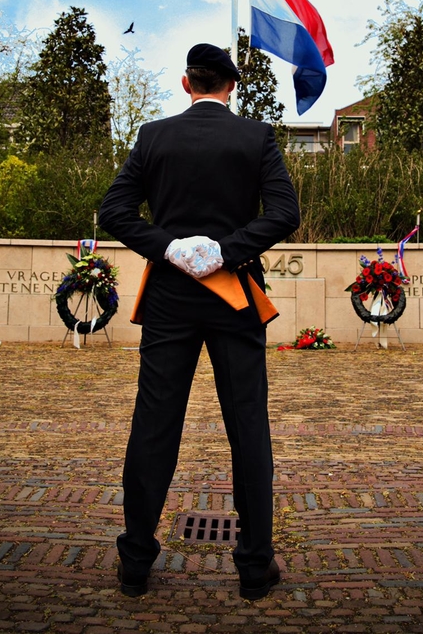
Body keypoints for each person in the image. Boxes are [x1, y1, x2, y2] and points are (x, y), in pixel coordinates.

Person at [98, 43, 300, 601]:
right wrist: (226, 250)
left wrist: (171, 248)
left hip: (168, 299)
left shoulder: (153, 135)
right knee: (247, 427)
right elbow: (286, 213)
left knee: (154, 425)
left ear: (186, 84)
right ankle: (255, 567)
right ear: (230, 88)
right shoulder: (256, 136)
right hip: (235, 296)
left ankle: (136, 560)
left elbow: (114, 211)